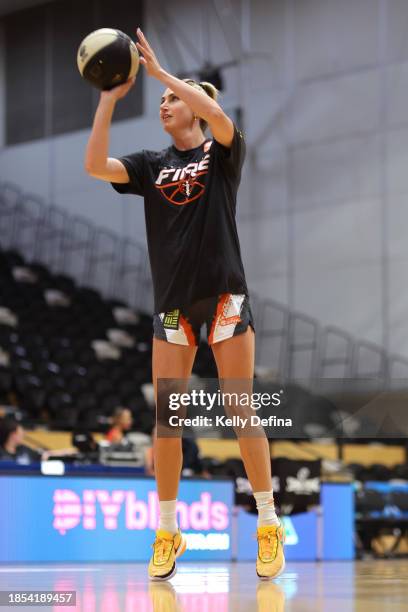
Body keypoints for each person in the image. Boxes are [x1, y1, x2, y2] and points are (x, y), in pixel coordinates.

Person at [84, 27, 285, 581]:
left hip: (223, 295)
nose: (165, 105)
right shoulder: (150, 164)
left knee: (240, 409)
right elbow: (95, 166)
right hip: (172, 306)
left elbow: (215, 117)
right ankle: (168, 530)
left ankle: (268, 522)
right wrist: (107, 98)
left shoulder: (223, 152)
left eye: (175, 100)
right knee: (166, 423)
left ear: (196, 109)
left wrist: (165, 75)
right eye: (164, 100)